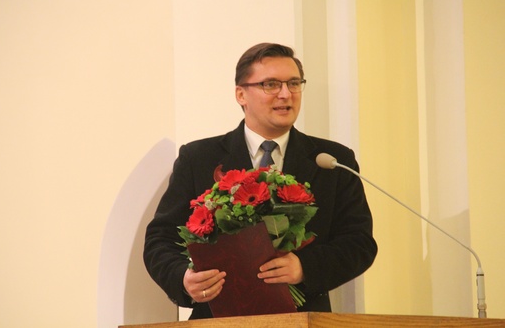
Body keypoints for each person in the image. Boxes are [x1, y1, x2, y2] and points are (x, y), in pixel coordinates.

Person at [144, 43, 377, 319]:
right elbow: (161, 239)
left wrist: (305, 267)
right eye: (270, 84)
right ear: (241, 94)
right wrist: (184, 278)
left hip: (304, 318)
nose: (285, 94)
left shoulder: (332, 161)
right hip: (218, 319)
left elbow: (359, 243)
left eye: (294, 83)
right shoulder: (199, 158)